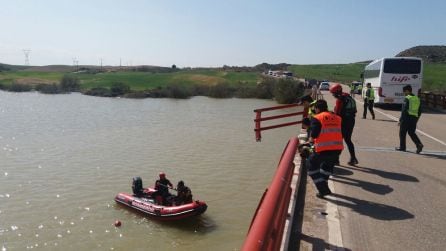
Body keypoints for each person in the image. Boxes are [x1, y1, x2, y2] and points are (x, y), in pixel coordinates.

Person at [306, 99, 344, 197]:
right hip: (337, 149)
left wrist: (309, 142)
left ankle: (323, 189)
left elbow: (313, 134)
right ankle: (323, 188)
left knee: (311, 168)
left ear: (317, 109)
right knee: (326, 168)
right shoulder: (338, 118)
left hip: (323, 150)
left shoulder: (317, 118)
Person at [330, 83, 359, 165]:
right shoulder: (348, 97)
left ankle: (336, 160)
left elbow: (337, 113)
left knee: (338, 141)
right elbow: (354, 110)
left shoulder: (340, 99)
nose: (333, 95)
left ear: (337, 92)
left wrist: (331, 114)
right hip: (351, 121)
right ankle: (353, 158)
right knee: (348, 140)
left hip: (343, 122)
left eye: (333, 93)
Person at [396, 85, 423, 153]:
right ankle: (418, 144)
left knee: (402, 133)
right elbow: (420, 111)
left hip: (406, 118)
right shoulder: (417, 98)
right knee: (411, 133)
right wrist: (416, 119)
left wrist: (400, 120)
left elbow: (404, 110)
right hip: (414, 119)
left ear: (407, 91)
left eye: (404, 91)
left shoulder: (407, 98)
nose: (404, 93)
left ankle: (402, 147)